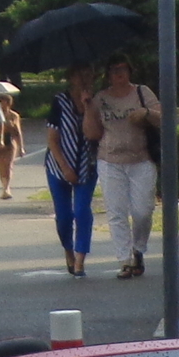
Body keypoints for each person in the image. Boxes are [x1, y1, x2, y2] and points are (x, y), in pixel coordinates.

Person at [89, 57, 160, 278]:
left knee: (143, 211)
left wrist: (146, 114)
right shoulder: (100, 98)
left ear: (130, 71)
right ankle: (125, 260)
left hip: (141, 159)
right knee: (116, 212)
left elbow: (163, 118)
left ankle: (138, 249)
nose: (118, 74)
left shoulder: (142, 92)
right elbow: (91, 133)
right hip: (110, 161)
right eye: (113, 70)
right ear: (107, 75)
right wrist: (87, 106)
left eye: (122, 69)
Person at [45, 66, 99, 278]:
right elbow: (52, 139)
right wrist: (65, 168)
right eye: (80, 74)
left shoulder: (97, 102)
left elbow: (95, 134)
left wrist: (88, 107)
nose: (84, 78)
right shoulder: (59, 102)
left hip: (87, 166)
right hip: (58, 167)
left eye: (88, 74)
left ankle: (79, 260)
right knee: (64, 216)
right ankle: (68, 249)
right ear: (71, 79)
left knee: (82, 211)